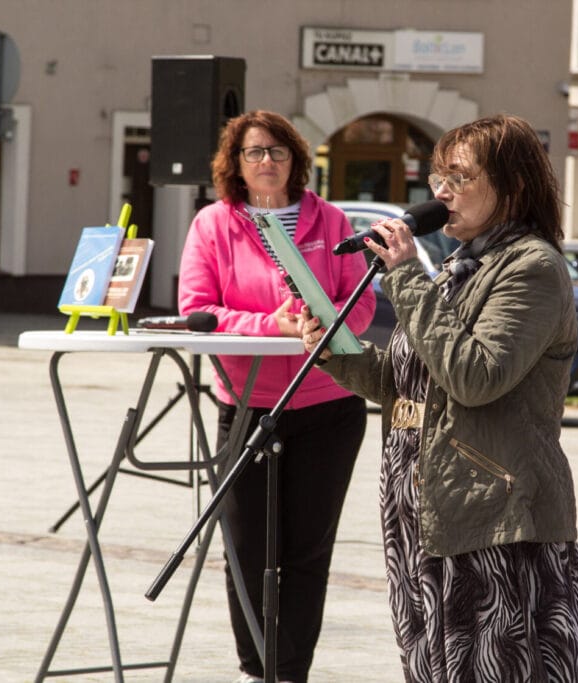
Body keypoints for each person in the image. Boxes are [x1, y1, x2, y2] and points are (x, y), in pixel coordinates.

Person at [300, 114, 578, 682]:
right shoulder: (463, 264)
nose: (440, 192)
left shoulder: (532, 268)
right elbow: (413, 383)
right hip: (421, 512)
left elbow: (475, 376)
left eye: (459, 177)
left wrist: (404, 280)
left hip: (492, 517)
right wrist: (338, 355)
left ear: (512, 187)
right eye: (436, 177)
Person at [177, 110, 376, 683]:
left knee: (307, 555)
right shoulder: (213, 225)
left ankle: (288, 675)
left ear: (296, 159)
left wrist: (325, 322)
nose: (266, 161)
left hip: (326, 408)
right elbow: (201, 311)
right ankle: (252, 669)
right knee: (244, 550)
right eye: (254, 152)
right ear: (235, 165)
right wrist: (274, 326)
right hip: (246, 408)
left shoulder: (333, 221)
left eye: (277, 151)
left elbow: (361, 301)